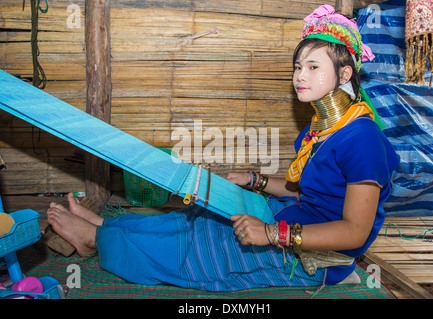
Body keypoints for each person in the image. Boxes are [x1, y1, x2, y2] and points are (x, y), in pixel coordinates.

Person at [47, 5, 399, 291]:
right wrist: (253, 180)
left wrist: (270, 234)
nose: (299, 76)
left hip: (317, 256)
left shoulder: (362, 140)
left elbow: (355, 230)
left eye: (312, 67)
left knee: (198, 250)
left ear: (345, 74)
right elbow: (303, 187)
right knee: (199, 220)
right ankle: (107, 229)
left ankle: (95, 240)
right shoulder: (322, 128)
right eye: (296, 67)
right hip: (292, 218)